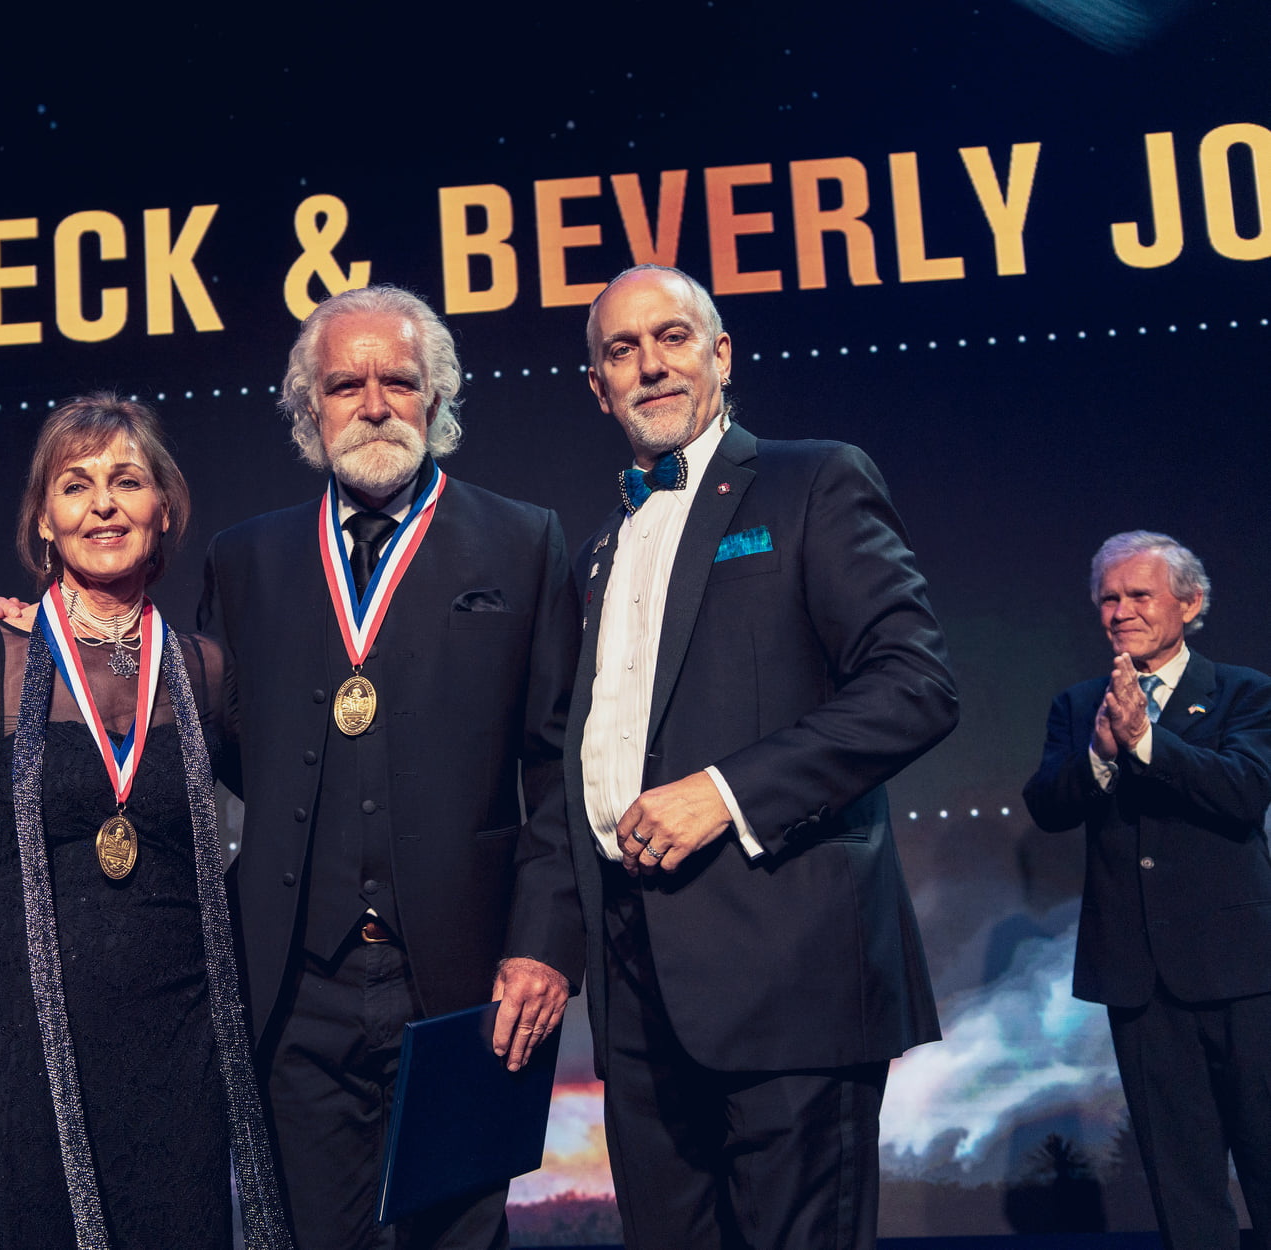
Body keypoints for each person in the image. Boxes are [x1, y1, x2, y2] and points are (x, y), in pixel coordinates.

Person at [566, 264, 958, 1250]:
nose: (651, 364)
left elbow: (914, 683)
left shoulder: (811, 479)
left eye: (672, 337)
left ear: (721, 354)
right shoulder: (598, 550)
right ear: (598, 387)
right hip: (638, 991)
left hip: (792, 979)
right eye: (622, 350)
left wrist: (725, 792)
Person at [199, 285, 584, 1249]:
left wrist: (542, 943)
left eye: (398, 382)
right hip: (296, 983)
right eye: (345, 385)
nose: (373, 405)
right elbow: (220, 747)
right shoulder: (244, 561)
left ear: (436, 396)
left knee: (459, 1238)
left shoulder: (524, 541)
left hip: (470, 983)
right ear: (309, 407)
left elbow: (557, 770)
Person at [0, 394, 289, 1249]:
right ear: (44, 521)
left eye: (126, 482)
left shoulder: (203, 670)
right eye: (75, 485)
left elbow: (290, 815)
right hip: (8, 1042)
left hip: (174, 1044)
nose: (102, 505)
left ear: (163, 509)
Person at [1023, 531, 1271, 1248]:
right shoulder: (1079, 706)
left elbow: (1244, 791)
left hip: (1241, 970)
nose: (1121, 610)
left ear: (1189, 604)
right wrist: (1102, 754)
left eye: (1139, 594)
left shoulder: (1244, 691)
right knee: (1179, 1174)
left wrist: (1146, 743)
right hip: (1137, 977)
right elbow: (1047, 806)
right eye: (1108, 598)